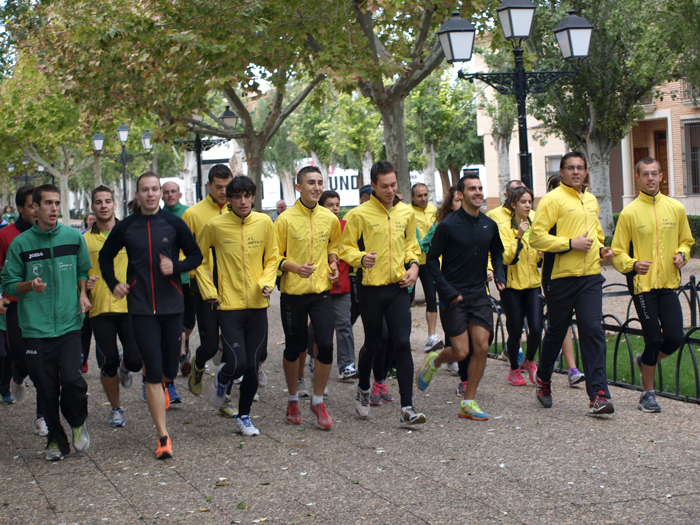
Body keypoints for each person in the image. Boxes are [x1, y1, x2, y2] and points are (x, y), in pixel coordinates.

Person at [100, 172, 202, 459]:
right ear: (137, 194)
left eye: (154, 189)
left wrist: (177, 267)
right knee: (153, 374)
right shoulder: (127, 227)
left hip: (172, 307)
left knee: (169, 369)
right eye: (144, 190)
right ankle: (163, 437)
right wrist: (114, 283)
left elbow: (196, 256)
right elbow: (106, 257)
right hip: (141, 308)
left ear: (160, 192)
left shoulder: (173, 223)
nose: (150, 194)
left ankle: (166, 384)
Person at [2, 184, 92, 461]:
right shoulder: (21, 244)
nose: (54, 208)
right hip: (36, 328)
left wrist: (82, 294)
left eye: (57, 203)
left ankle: (77, 423)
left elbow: (83, 269)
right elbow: (8, 283)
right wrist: (29, 286)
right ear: (35, 208)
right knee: (47, 387)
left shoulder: (73, 237)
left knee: (73, 381)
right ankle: (56, 440)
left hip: (68, 324)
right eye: (48, 204)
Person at [340, 160, 426, 425]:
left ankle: (408, 408)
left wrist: (414, 267)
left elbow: (412, 246)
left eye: (394, 185)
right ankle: (364, 388)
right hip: (370, 290)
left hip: (399, 288)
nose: (390, 191)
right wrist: (361, 257)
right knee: (374, 342)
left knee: (402, 342)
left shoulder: (406, 213)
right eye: (384, 186)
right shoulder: (358, 214)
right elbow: (345, 249)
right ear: (374, 185)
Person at [530, 152, 615, 414]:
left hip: (590, 276)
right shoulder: (552, 200)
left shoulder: (590, 199)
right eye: (570, 168)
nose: (576, 172)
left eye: (580, 168)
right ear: (562, 172)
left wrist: (602, 250)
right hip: (559, 277)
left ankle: (598, 395)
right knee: (557, 331)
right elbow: (536, 237)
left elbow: (596, 234)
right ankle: (543, 377)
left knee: (592, 329)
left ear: (586, 171)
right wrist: (569, 245)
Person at [418, 173, 505, 421]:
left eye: (480, 188)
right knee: (460, 351)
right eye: (472, 189)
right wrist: (448, 291)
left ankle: (468, 402)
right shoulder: (448, 226)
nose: (478, 192)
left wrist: (499, 274)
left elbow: (497, 253)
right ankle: (435, 361)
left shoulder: (489, 225)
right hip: (453, 296)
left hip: (478, 294)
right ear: (460, 194)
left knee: (482, 347)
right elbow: (432, 261)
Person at [196, 176, 279, 435]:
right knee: (238, 363)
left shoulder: (265, 222)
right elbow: (199, 260)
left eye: (247, 196)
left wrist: (268, 281)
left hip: (257, 305)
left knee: (253, 364)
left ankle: (244, 417)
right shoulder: (215, 226)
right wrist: (209, 290)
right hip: (228, 306)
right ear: (229, 200)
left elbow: (273, 256)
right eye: (237, 197)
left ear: (253, 197)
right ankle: (223, 378)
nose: (243, 202)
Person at [611, 157, 694, 413]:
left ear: (661, 176)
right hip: (643, 287)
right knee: (653, 340)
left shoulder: (675, 208)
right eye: (645, 174)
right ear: (638, 178)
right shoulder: (629, 213)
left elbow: (687, 241)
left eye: (654, 173)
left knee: (675, 337)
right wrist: (633, 264)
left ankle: (645, 363)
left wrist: (682, 255)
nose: (650, 178)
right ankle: (647, 394)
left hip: (668, 284)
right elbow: (617, 253)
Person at [275, 166, 341, 430]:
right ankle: (293, 399)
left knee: (325, 345)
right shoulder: (284, 220)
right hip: (293, 294)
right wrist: (294, 268)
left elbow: (333, 245)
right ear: (298, 187)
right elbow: (272, 257)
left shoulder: (329, 218)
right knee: (295, 347)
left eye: (319, 183)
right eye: (310, 183)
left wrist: (333, 263)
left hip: (321, 293)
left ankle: (316, 400)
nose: (316, 187)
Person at [84, 186, 142, 427]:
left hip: (129, 305)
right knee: (107, 362)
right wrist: (84, 286)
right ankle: (116, 408)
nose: (104, 205)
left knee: (137, 360)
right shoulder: (84, 239)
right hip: (100, 309)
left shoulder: (129, 232)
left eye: (108, 201)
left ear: (114, 204)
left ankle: (126, 365)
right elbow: (79, 272)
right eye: (99, 202)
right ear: (93, 207)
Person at [0, 185, 48, 435]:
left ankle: (42, 416)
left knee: (42, 362)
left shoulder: (49, 234)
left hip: (42, 308)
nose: (37, 209)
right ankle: (18, 374)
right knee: (19, 354)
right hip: (15, 307)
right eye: (32, 205)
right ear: (20, 208)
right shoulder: (6, 235)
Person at [182, 165, 233, 398]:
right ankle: (198, 364)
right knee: (211, 345)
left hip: (234, 288)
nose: (224, 191)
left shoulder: (238, 210)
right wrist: (201, 275)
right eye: (219, 187)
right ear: (209, 185)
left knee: (233, 346)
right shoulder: (192, 214)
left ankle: (224, 395)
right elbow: (183, 256)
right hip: (204, 289)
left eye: (227, 186)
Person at [497, 186, 542, 387]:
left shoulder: (535, 225)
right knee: (515, 330)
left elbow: (538, 258)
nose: (527, 205)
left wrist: (541, 256)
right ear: (513, 204)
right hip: (512, 286)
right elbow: (506, 258)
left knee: (537, 327)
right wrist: (517, 237)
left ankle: (529, 360)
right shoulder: (505, 228)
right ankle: (514, 368)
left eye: (529, 201)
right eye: (523, 202)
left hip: (533, 284)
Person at [544, 173, 585, 386]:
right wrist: (568, 243)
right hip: (554, 274)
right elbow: (540, 239)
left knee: (580, 324)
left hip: (582, 274)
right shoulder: (550, 207)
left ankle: (572, 368)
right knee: (558, 325)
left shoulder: (585, 205)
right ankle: (544, 372)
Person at [313, 190, 357, 380]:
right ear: (322, 207)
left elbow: (353, 252)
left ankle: (347, 365)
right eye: (330, 205)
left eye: (337, 204)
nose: (335, 208)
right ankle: (313, 360)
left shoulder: (347, 227)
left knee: (344, 325)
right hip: (320, 286)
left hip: (343, 287)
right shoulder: (315, 227)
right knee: (318, 328)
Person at [162, 181, 195, 380]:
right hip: (168, 277)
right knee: (174, 318)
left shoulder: (189, 214)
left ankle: (184, 345)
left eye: (173, 191)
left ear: (180, 194)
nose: (170, 195)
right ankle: (180, 353)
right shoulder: (158, 217)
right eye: (166, 192)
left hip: (188, 274)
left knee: (189, 319)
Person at [410, 183, 443, 354]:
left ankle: (431, 337)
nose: (423, 198)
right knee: (407, 301)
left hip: (430, 262)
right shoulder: (407, 211)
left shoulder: (434, 211)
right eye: (419, 196)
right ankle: (403, 338)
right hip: (412, 261)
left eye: (425, 195)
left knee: (431, 297)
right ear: (413, 197)